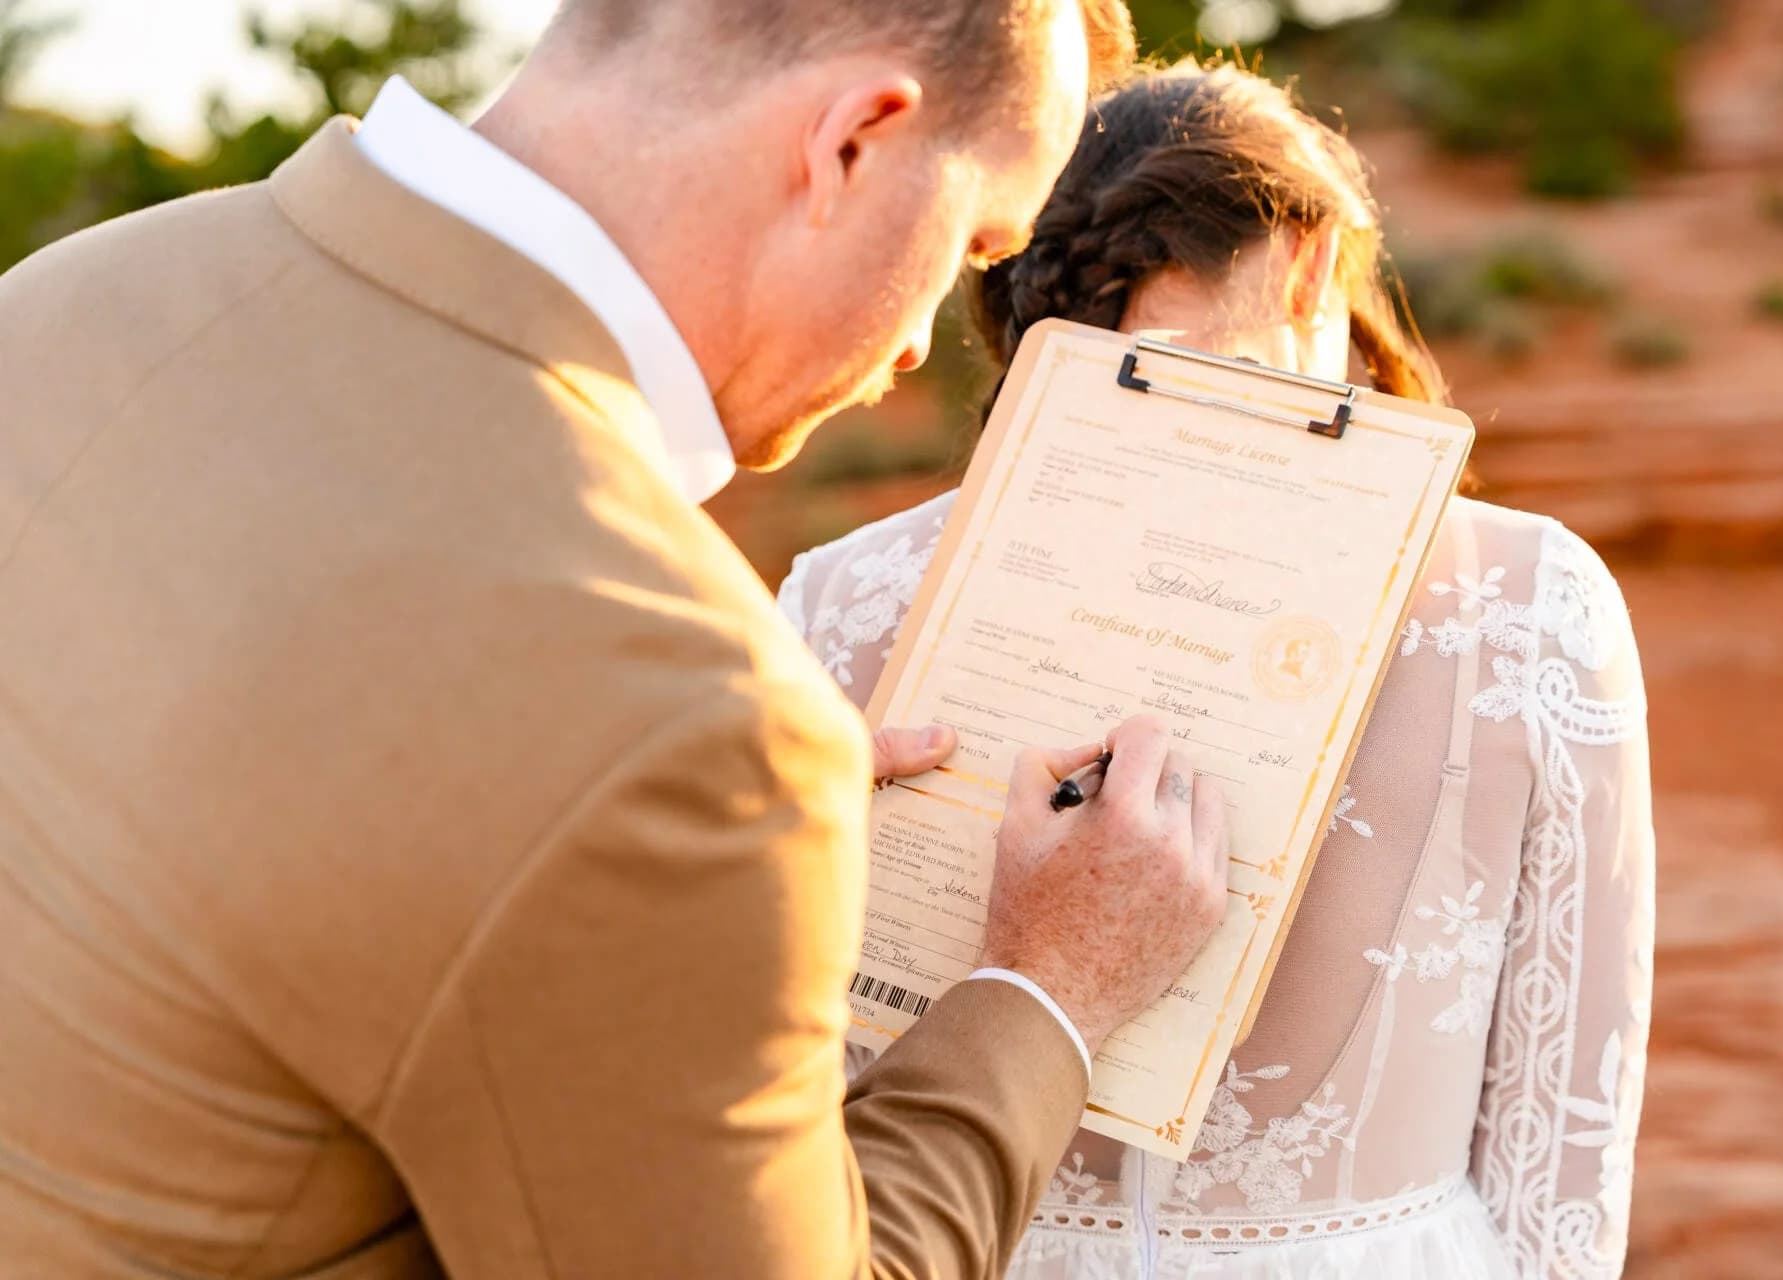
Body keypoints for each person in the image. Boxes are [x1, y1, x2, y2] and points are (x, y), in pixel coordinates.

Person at [0, 3, 1240, 1277]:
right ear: (854, 141)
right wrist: (1047, 987)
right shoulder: (682, 726)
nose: (919, 340)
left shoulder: (67, 300)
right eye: (968, 240)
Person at [779, 64, 1656, 1280]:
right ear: (1309, 258)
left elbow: (799, 1118)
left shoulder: (837, 596)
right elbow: (1566, 1161)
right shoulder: (1531, 601)